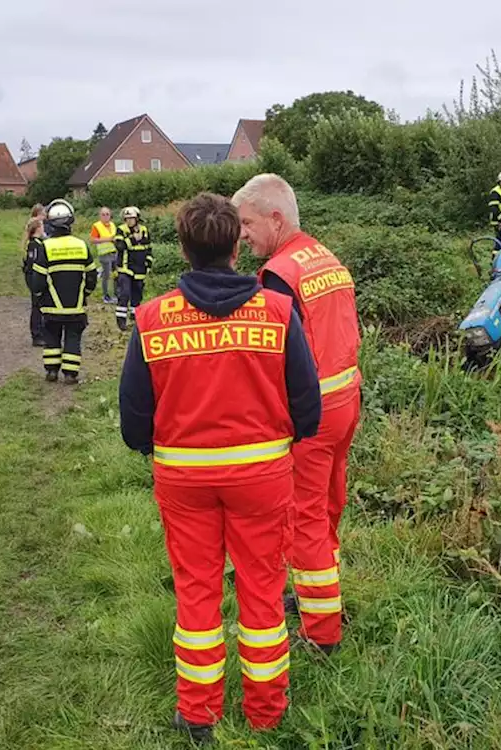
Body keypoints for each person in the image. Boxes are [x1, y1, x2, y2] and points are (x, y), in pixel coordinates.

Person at [119, 192, 321, 743]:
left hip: (184, 481)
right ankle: (265, 713)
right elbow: (308, 405)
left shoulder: (153, 317)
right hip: (263, 478)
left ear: (182, 249)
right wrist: (276, 442)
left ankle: (199, 715)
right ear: (237, 245)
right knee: (262, 588)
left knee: (197, 591)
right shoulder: (276, 311)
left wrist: (159, 450)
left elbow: (134, 417)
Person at [232, 173, 362, 656]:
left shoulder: (280, 273)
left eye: (246, 223)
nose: (241, 234)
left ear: (275, 218)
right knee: (328, 508)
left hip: (313, 415)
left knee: (304, 518)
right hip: (347, 400)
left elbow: (277, 358)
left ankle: (321, 633)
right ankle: (316, 595)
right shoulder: (325, 258)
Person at [26, 199, 96, 384]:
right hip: (76, 307)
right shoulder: (82, 245)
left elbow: (38, 280)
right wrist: (85, 294)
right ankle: (71, 374)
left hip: (51, 307)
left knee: (51, 339)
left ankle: (51, 372)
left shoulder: (46, 247)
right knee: (73, 338)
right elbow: (91, 276)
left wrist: (40, 297)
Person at [114, 206, 153, 330]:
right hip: (125, 268)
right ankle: (121, 320)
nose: (129, 221)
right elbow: (119, 246)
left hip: (140, 269)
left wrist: (149, 262)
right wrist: (132, 240)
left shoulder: (144, 230)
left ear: (137, 219)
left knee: (137, 296)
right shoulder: (121, 229)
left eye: (131, 218)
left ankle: (135, 318)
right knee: (124, 294)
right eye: (127, 219)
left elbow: (148, 248)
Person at [22, 203, 46, 346]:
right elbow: (32, 265)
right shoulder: (34, 245)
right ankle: (36, 335)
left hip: (36, 278)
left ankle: (41, 332)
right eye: (41, 226)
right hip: (34, 278)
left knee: (40, 306)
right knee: (36, 306)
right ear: (37, 229)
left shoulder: (38, 243)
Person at [89, 206, 118, 304]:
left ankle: (116, 294)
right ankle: (106, 296)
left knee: (116, 274)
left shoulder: (113, 225)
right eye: (103, 214)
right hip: (104, 254)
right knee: (106, 276)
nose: (105, 216)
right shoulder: (96, 226)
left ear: (110, 215)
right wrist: (108, 239)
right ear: (100, 216)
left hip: (114, 252)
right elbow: (92, 240)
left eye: (107, 214)